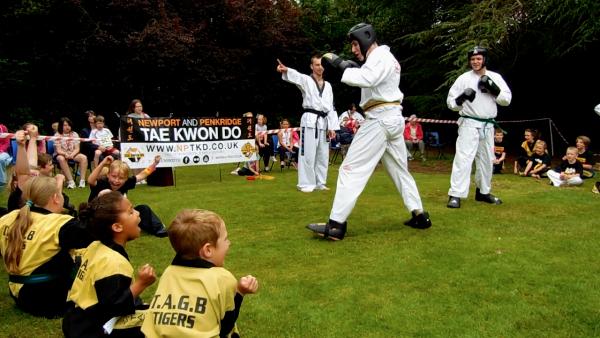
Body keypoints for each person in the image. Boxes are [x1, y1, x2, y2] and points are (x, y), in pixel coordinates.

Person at [307, 23, 432, 240]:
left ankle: (336, 224)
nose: (354, 49)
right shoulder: (385, 59)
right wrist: (350, 66)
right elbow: (369, 77)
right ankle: (420, 215)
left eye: (356, 44)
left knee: (350, 168)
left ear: (366, 39)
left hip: (380, 119)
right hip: (391, 118)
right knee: (400, 170)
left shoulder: (380, 57)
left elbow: (367, 79)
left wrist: (340, 65)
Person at [141, 209, 259, 337]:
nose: (229, 243)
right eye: (225, 239)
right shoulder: (222, 278)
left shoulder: (168, 273)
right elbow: (226, 326)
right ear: (208, 250)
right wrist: (240, 292)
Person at [62, 191, 157, 337]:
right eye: (131, 211)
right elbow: (114, 307)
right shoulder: (112, 262)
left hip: (74, 321)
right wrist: (141, 284)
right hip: (90, 329)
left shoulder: (95, 246)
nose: (138, 213)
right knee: (159, 320)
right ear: (117, 227)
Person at [0, 175, 93, 318]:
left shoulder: (8, 217)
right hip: (49, 300)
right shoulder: (61, 224)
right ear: (56, 198)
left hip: (17, 292)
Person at [446, 46, 512, 208]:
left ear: (484, 60)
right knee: (464, 158)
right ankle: (456, 194)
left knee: (487, 160)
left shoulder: (495, 77)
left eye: (478, 59)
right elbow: (450, 103)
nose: (475, 62)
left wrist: (494, 89)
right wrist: (462, 98)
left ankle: (483, 192)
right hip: (469, 123)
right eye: (473, 59)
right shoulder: (463, 79)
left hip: (488, 125)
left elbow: (506, 100)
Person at [276, 56, 339, 193]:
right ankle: (306, 184)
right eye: (317, 65)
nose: (320, 67)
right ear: (311, 66)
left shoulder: (328, 85)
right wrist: (286, 70)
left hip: (324, 122)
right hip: (310, 120)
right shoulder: (307, 80)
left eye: (321, 65)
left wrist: (332, 127)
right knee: (308, 154)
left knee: (323, 155)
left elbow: (331, 107)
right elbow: (296, 76)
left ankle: (320, 183)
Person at [87, 156, 168, 237]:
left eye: (121, 178)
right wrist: (103, 163)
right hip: (98, 215)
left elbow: (142, 175)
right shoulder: (102, 182)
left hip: (118, 215)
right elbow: (90, 180)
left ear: (126, 179)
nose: (116, 181)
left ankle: (159, 229)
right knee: (106, 193)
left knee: (143, 209)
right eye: (114, 176)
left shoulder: (126, 183)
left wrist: (154, 164)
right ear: (108, 175)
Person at [54, 117, 89, 189]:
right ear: (61, 126)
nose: (67, 127)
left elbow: (77, 148)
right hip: (61, 154)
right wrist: (65, 154)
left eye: (69, 125)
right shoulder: (57, 135)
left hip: (73, 153)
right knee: (61, 158)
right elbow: (58, 150)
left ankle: (82, 181)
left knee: (83, 157)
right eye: (65, 125)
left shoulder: (75, 134)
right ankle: (71, 181)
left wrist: (72, 154)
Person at [127, 99, 150, 183]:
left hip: (144, 141)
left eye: (140, 106)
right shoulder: (130, 117)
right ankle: (136, 178)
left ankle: (143, 178)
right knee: (135, 159)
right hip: (134, 141)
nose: (140, 108)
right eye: (137, 106)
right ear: (133, 108)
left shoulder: (146, 116)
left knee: (143, 159)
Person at [0, 122, 11, 188]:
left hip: (3, 152)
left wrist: (0, 150)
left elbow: (7, 143)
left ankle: (2, 181)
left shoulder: (3, 127)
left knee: (0, 159)